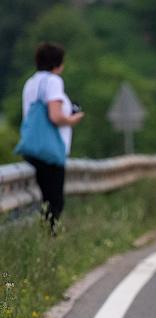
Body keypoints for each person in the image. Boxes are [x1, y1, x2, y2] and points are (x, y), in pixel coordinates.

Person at [20, 42, 84, 231]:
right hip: (50, 150)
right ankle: (49, 241)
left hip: (32, 147)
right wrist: (72, 119)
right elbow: (55, 115)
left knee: (44, 200)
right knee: (54, 202)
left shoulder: (30, 83)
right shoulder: (54, 81)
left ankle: (43, 238)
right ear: (58, 64)